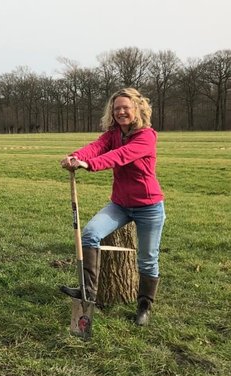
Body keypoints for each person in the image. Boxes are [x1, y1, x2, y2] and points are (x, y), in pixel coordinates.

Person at [59, 87, 165, 326]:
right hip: (120, 205)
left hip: (149, 207)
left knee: (148, 259)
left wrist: (89, 165)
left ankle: (144, 307)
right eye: (116, 108)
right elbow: (95, 147)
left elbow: (120, 156)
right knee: (90, 234)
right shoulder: (113, 134)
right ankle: (89, 294)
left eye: (126, 107)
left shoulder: (147, 136)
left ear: (137, 109)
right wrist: (76, 156)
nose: (121, 112)